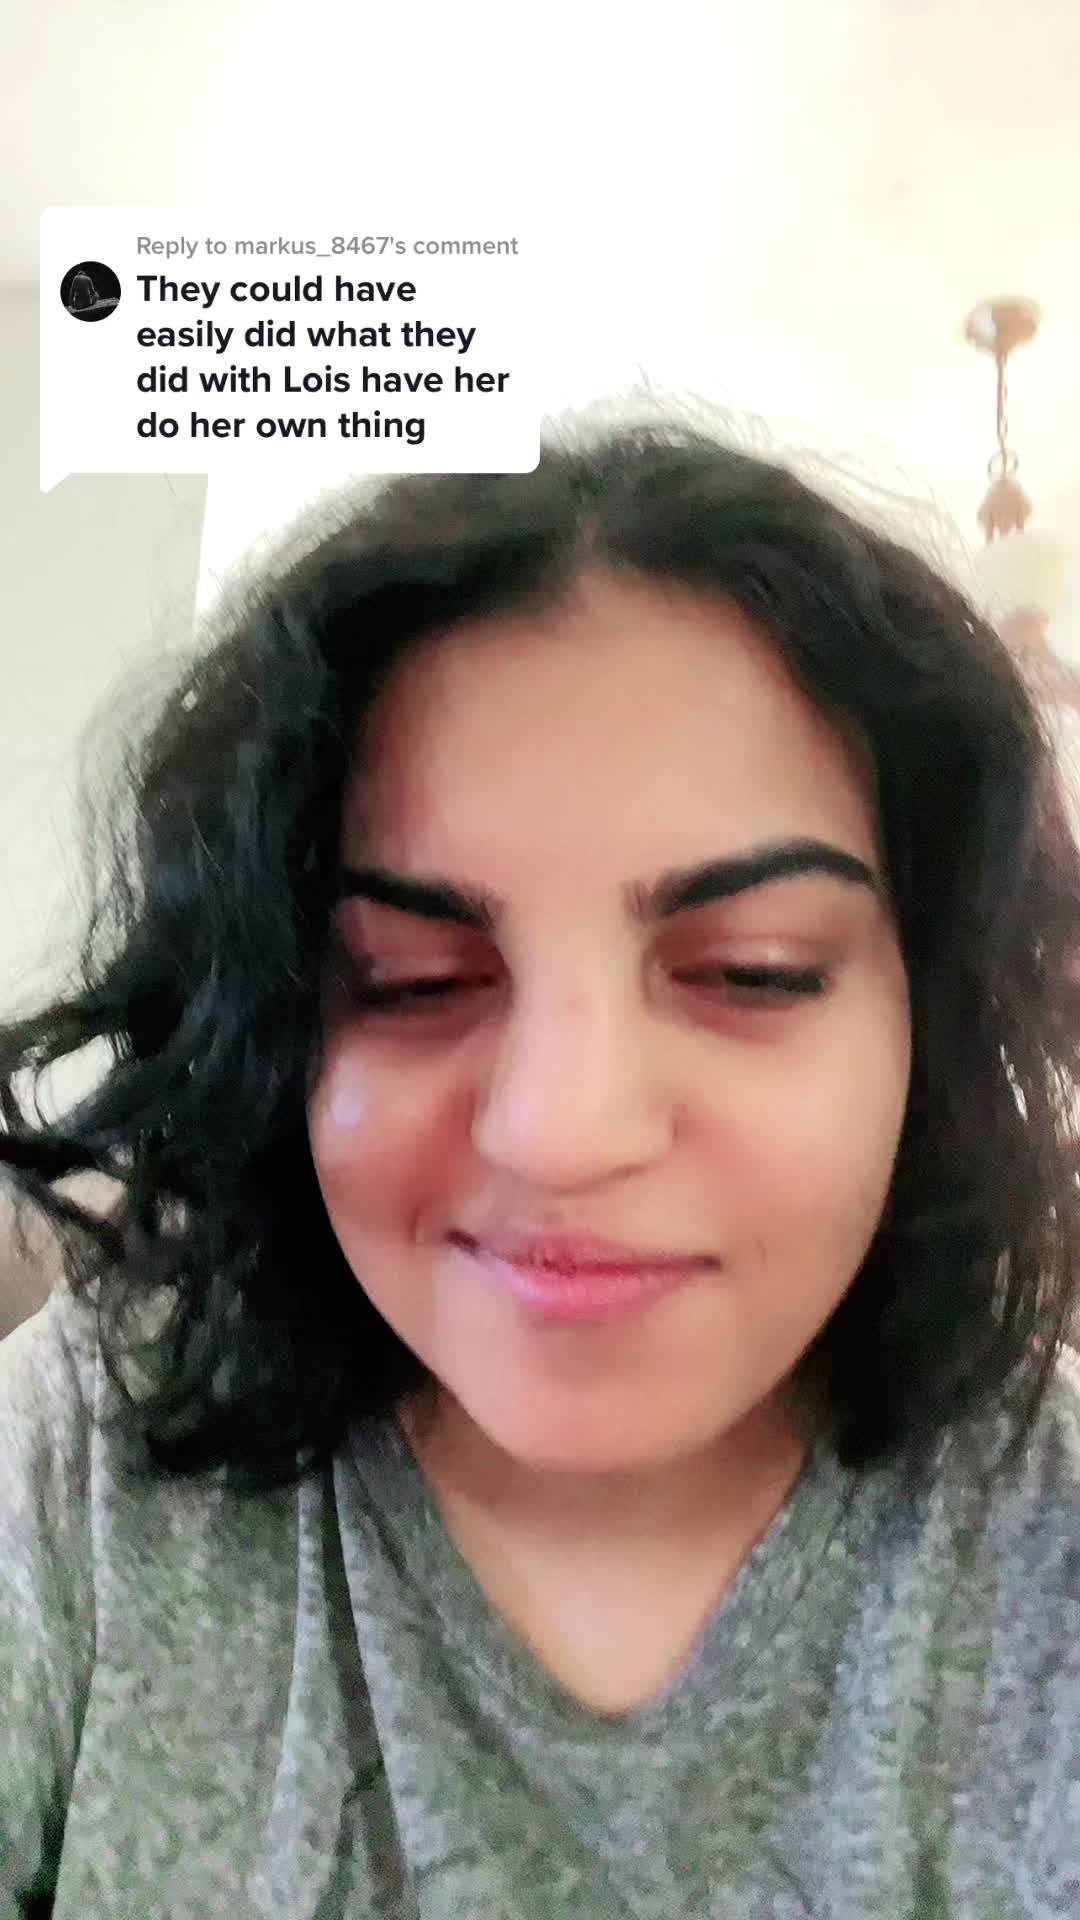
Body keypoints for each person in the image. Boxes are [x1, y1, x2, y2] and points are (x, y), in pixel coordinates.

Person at [1, 411, 1079, 1918]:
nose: (560, 1130)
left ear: (933, 1023)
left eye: (754, 971)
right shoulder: (93, 1447)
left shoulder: (1044, 1534)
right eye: (411, 980)